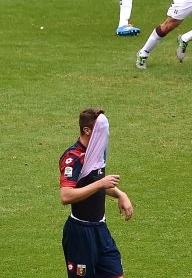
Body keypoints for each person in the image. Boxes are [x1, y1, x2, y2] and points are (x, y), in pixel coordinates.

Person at [59, 108, 133, 278]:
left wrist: (121, 194)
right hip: (80, 233)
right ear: (87, 130)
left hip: (100, 229)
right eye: (101, 131)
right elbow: (65, 196)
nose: (105, 135)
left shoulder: (96, 153)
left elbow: (96, 183)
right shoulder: (73, 157)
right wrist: (101, 183)